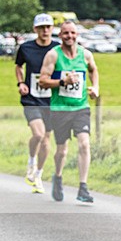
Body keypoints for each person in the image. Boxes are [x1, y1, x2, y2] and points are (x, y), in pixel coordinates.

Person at [38, 21, 99, 203]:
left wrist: (95, 87)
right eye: (66, 33)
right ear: (60, 36)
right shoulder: (53, 55)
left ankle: (83, 187)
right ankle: (57, 177)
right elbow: (42, 81)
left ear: (77, 35)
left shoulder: (85, 54)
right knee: (62, 151)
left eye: (72, 33)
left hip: (81, 107)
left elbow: (93, 70)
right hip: (60, 109)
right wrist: (62, 82)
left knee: (84, 144)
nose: (69, 36)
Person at [14, 13, 59, 193]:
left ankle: (38, 175)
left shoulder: (58, 48)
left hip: (51, 99)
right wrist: (21, 83)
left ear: (52, 28)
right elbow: (18, 66)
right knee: (38, 134)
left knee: (47, 139)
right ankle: (31, 161)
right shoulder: (26, 48)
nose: (45, 31)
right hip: (31, 98)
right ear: (35, 29)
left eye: (48, 27)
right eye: (41, 28)